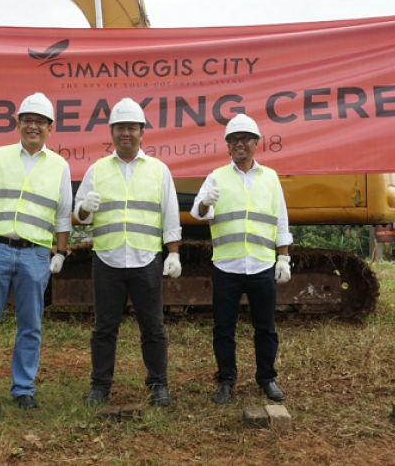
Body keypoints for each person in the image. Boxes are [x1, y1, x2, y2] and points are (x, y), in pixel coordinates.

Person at [0, 92, 72, 410]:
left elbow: (63, 215)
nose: (33, 126)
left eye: (40, 122)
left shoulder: (60, 166)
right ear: (18, 124)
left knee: (30, 325)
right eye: (28, 121)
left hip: (35, 255)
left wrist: (60, 252)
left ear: (50, 128)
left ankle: (23, 389)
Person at [74, 97, 182, 407]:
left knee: (153, 327)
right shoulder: (97, 170)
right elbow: (81, 216)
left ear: (141, 132)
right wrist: (84, 208)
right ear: (111, 132)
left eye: (132, 128)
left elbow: (169, 214)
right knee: (104, 328)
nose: (126, 133)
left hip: (146, 259)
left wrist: (172, 253)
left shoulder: (158, 171)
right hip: (107, 259)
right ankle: (100, 386)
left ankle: (158, 384)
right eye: (120, 127)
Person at [191, 113, 293, 404]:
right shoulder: (216, 176)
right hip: (227, 265)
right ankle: (225, 380)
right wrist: (204, 202)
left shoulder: (270, 178)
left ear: (256, 143)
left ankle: (267, 378)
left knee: (266, 327)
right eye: (233, 140)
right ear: (227, 146)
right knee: (224, 328)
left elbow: (280, 219)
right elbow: (198, 214)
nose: (239, 145)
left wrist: (283, 257)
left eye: (245, 139)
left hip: (262, 265)